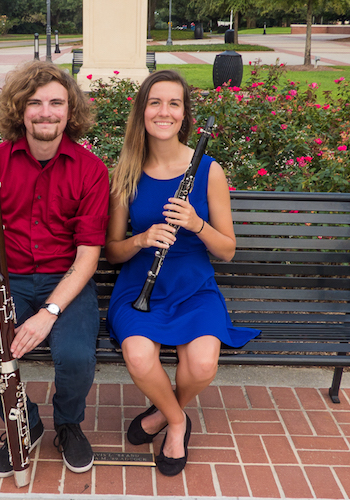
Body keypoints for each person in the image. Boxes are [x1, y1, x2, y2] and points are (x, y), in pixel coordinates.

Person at [0, 60, 110, 477]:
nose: (46, 111)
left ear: (70, 111)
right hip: (10, 281)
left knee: (76, 357)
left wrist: (49, 313)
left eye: (57, 102)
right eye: (36, 102)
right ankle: (25, 419)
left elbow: (88, 255)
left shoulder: (91, 170)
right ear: (20, 109)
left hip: (66, 284)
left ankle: (67, 423)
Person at [105, 70, 260, 476]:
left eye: (174, 103)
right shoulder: (125, 173)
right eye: (155, 102)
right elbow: (113, 252)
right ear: (142, 111)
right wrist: (141, 239)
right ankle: (176, 422)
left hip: (193, 286)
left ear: (184, 114)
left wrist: (195, 223)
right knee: (138, 357)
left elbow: (227, 250)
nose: (164, 111)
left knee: (203, 365)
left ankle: (159, 413)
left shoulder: (209, 170)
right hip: (141, 285)